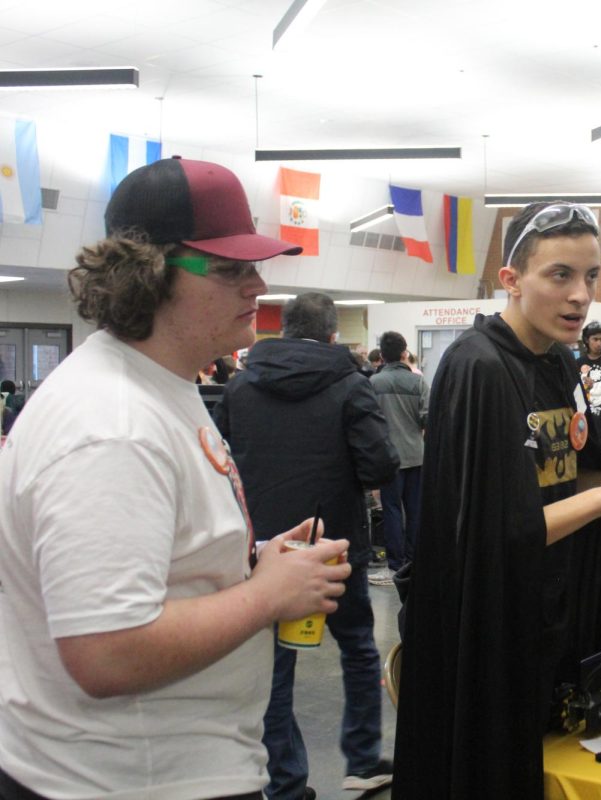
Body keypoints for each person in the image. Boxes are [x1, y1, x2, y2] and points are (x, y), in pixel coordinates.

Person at [0, 156, 351, 799]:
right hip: (126, 782)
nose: (257, 286)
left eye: (255, 266)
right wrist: (267, 595)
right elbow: (106, 652)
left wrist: (248, 565)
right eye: (229, 269)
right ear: (148, 276)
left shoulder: (160, 383)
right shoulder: (111, 425)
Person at [392, 201, 601, 799]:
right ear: (511, 281)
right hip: (487, 632)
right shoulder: (479, 367)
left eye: (591, 276)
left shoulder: (558, 362)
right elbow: (495, 528)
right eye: (559, 275)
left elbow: (565, 481)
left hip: (547, 624)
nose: (580, 296)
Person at [214, 291, 400, 799]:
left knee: (273, 666)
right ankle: (362, 759)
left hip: (265, 549)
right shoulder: (349, 385)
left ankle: (286, 782)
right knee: (358, 648)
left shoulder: (239, 388)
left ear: (284, 328)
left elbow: (224, 463)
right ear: (333, 334)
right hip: (334, 543)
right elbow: (379, 465)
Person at [369, 330, 429, 586]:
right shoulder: (418, 383)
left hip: (388, 458)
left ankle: (395, 566)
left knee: (392, 510)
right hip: (417, 456)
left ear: (382, 356)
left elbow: (368, 421)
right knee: (415, 510)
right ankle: (414, 563)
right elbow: (428, 419)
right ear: (405, 353)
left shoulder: (373, 383)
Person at [577, 319, 601, 386]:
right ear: (587, 340)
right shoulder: (578, 362)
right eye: (595, 339)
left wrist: (595, 385)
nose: (599, 343)